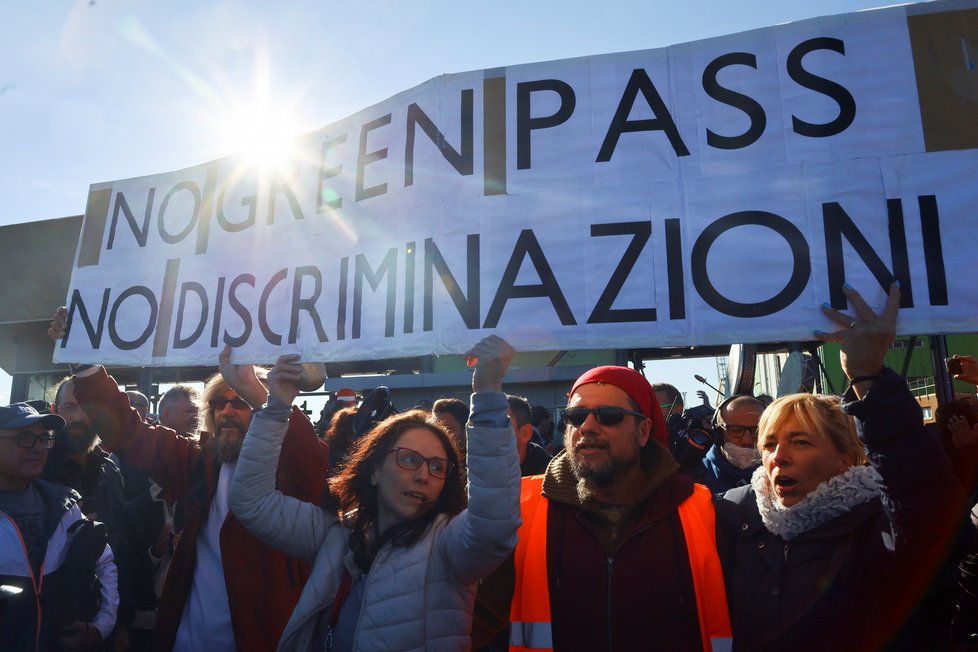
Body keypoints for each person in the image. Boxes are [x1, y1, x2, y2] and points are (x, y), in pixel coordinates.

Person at [48, 304, 330, 652]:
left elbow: (313, 462)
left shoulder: (286, 468)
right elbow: (129, 432)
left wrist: (257, 391)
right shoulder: (200, 465)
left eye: (238, 401)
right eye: (217, 404)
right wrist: (82, 363)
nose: (226, 410)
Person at [227, 336, 521, 651]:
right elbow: (252, 503)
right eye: (408, 459)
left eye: (438, 467)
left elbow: (494, 526)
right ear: (376, 471)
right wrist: (276, 407)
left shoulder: (448, 545)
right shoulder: (337, 534)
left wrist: (488, 395)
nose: (423, 475)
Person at [714, 282, 963, 651]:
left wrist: (869, 378)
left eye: (801, 441)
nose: (777, 456)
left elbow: (928, 502)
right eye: (769, 443)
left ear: (846, 459)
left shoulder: (882, 526)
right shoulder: (733, 518)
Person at [478, 364, 731, 651]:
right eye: (575, 416)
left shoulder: (705, 510)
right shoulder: (521, 506)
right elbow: (466, 621)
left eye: (608, 416)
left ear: (644, 430)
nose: (586, 426)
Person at [0, 402, 118, 651]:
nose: (38, 448)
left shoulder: (64, 505)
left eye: (43, 438)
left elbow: (104, 561)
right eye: (24, 438)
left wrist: (101, 626)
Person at [697, 396, 765, 493]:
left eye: (757, 431)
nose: (747, 440)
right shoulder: (697, 478)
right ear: (718, 434)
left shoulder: (780, 472)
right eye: (736, 430)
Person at [507, 395, 551, 476]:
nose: (488, 432)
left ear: (525, 433)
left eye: (500, 424)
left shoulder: (552, 480)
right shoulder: (479, 470)